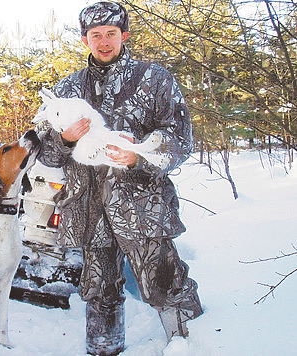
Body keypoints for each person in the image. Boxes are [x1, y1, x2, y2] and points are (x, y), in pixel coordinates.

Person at [35, 2, 203, 355]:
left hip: (140, 206)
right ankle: (103, 349)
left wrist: (138, 157)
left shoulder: (155, 79)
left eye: (111, 33)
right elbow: (46, 154)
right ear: (85, 40)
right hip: (87, 208)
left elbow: (180, 138)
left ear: (124, 35)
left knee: (165, 282)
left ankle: (194, 344)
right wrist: (64, 140)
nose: (104, 41)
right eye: (96, 35)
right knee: (98, 288)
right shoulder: (66, 89)